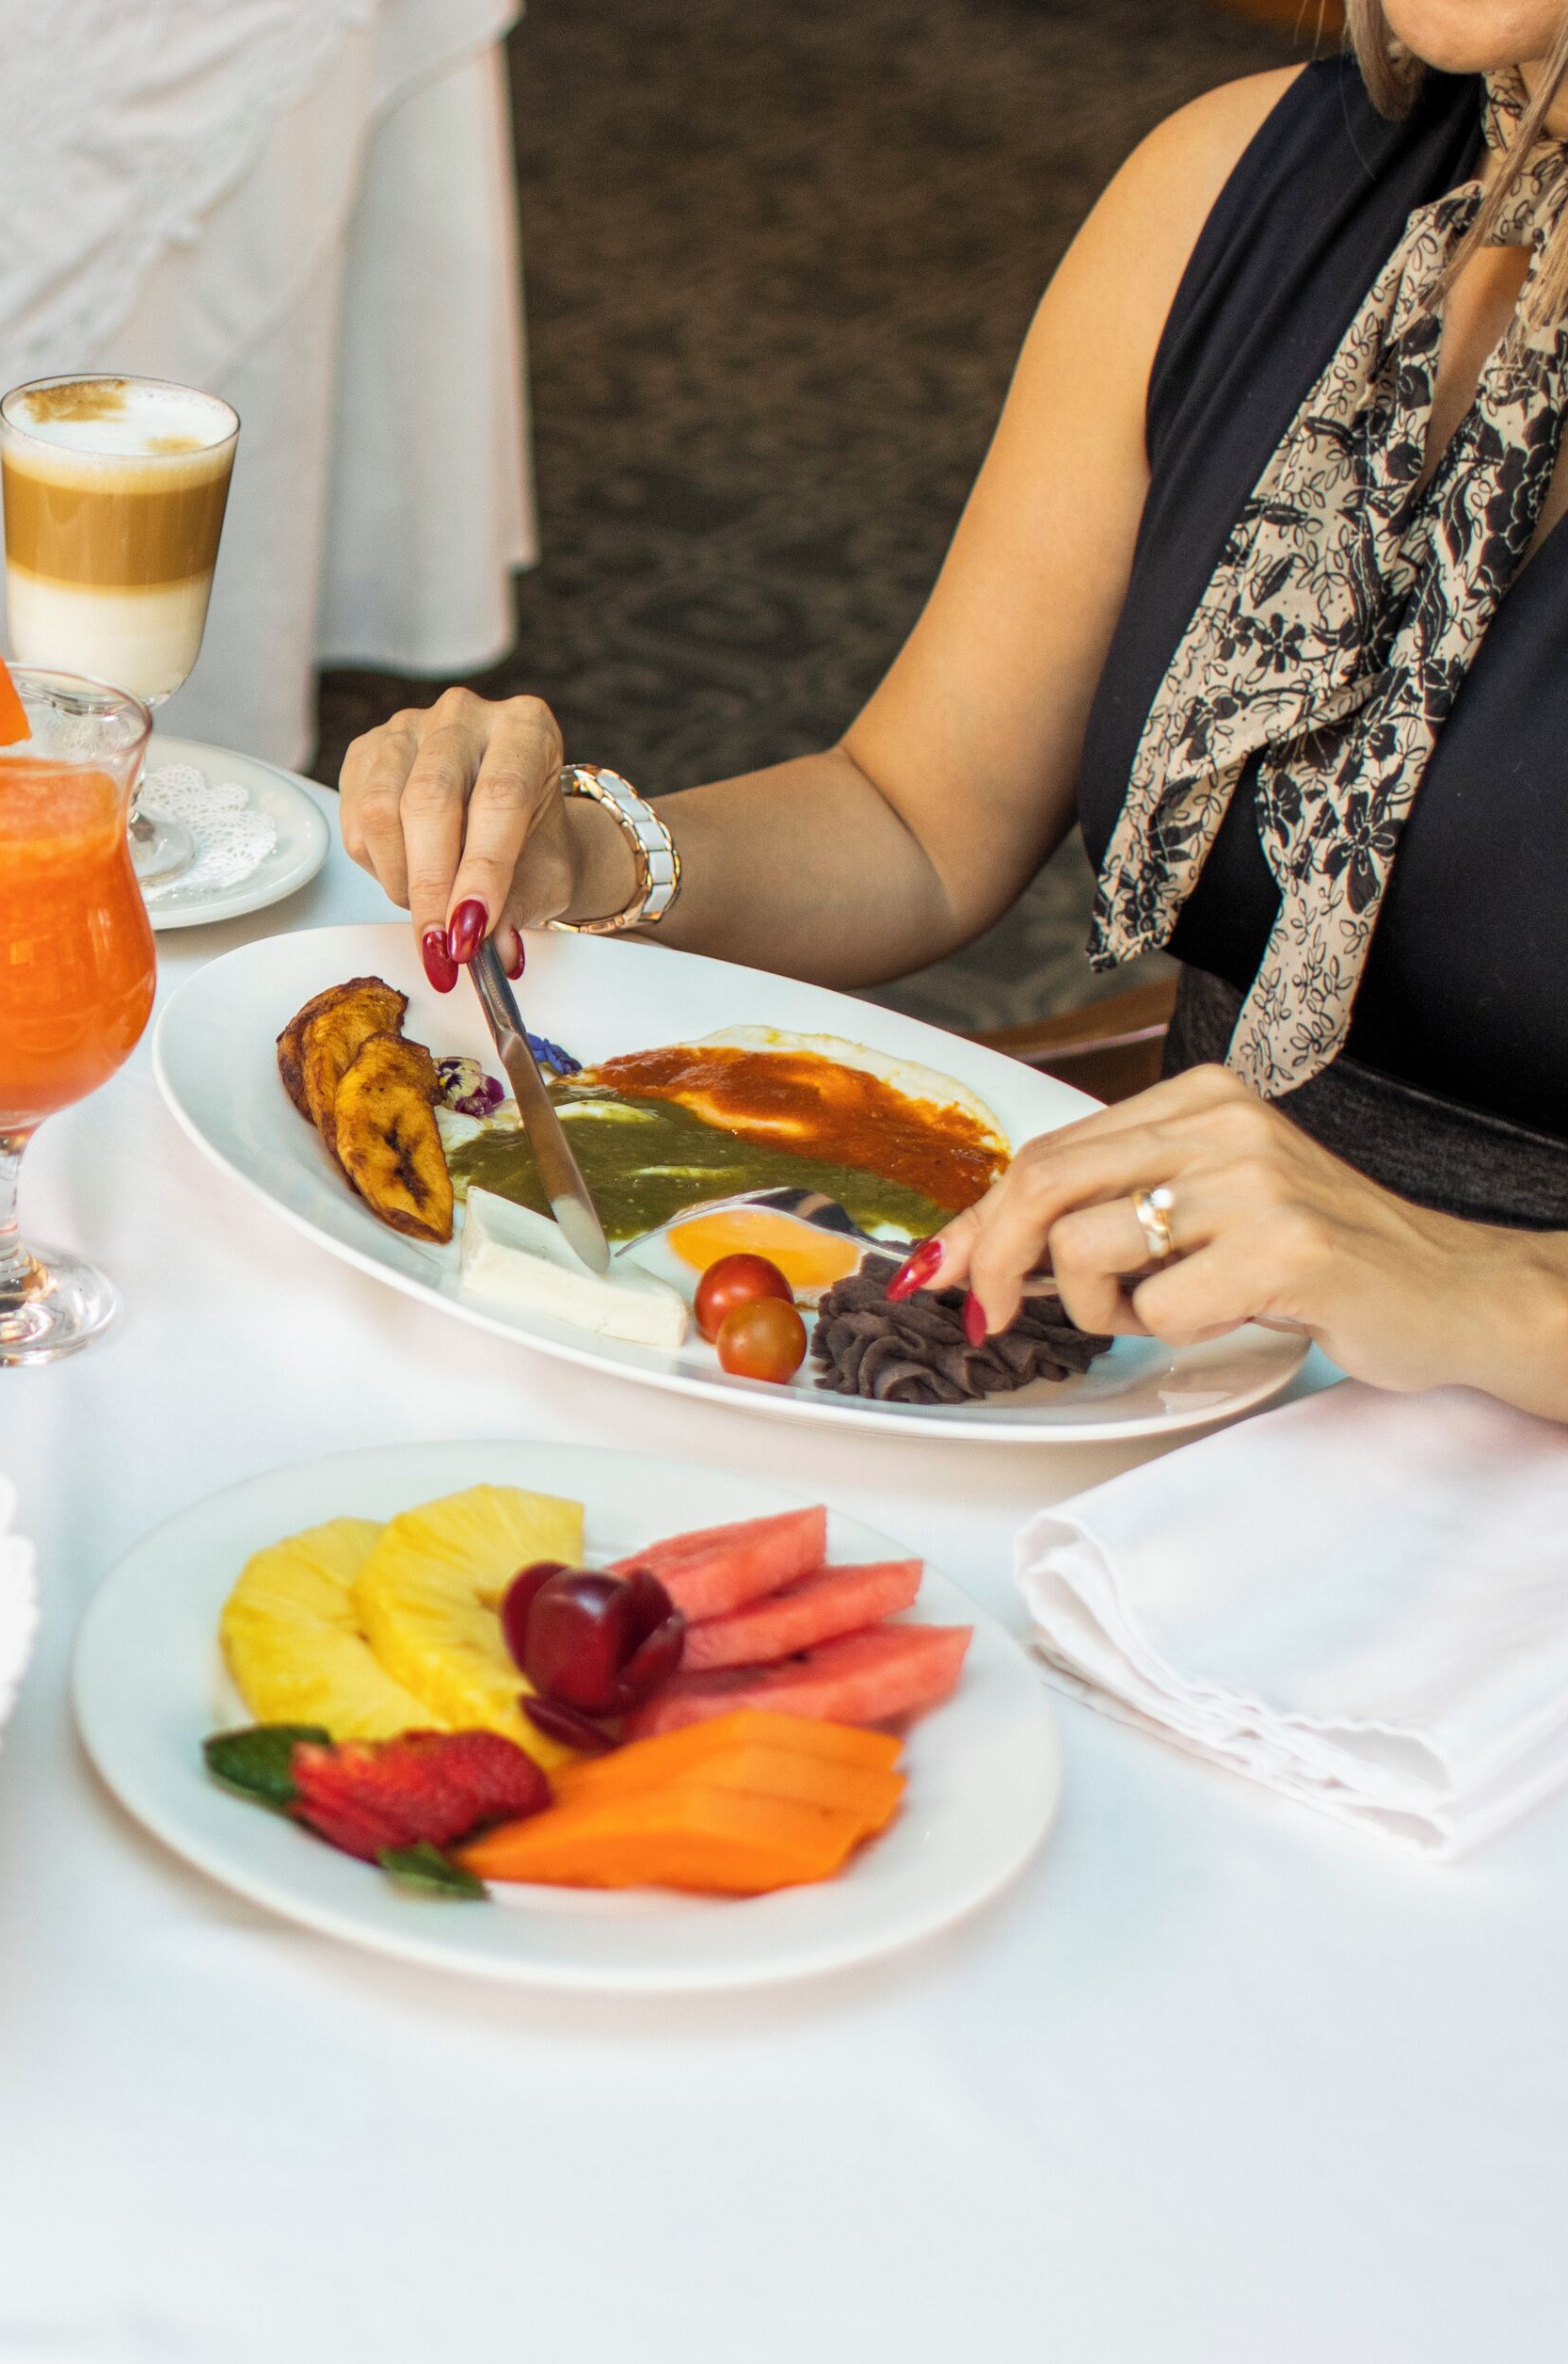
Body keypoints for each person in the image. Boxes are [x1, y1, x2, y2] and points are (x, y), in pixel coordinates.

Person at [339, 0, 1568, 1424]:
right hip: (1176, 1386)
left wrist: (1474, 1282)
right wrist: (579, 850)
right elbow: (917, 817)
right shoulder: (1229, 186)